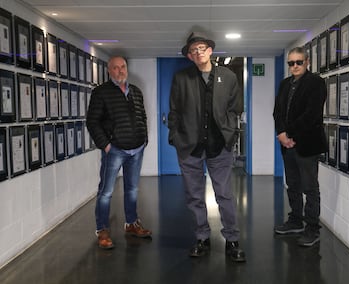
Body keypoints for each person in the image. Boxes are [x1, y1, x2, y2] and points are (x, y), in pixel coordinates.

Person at [168, 31, 246, 262]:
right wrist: (175, 137)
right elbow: (174, 111)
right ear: (190, 56)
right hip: (189, 147)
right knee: (194, 196)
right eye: (193, 51)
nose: (198, 52)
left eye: (201, 48)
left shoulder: (228, 77)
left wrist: (230, 134)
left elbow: (235, 108)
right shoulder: (181, 78)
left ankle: (232, 240)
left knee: (224, 195)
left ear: (210, 51)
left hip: (219, 147)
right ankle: (202, 238)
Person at [86, 56, 152, 249]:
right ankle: (102, 229)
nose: (120, 71)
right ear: (109, 71)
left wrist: (144, 139)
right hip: (115, 150)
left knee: (132, 189)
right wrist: (106, 145)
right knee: (106, 192)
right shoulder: (101, 93)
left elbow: (143, 116)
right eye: (115, 68)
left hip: (137, 150)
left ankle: (131, 224)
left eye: (122, 67)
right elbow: (92, 121)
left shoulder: (136, 92)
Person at [273, 47, 328, 247]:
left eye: (298, 62)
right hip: (287, 145)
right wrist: (281, 134)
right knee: (293, 185)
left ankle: (312, 228)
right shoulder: (285, 84)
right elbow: (277, 112)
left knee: (310, 187)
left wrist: (289, 134)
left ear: (307, 62)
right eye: (291, 63)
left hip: (307, 144)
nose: (294, 66)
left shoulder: (316, 83)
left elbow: (311, 114)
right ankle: (295, 220)